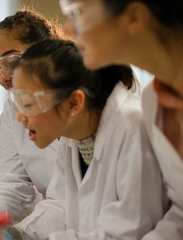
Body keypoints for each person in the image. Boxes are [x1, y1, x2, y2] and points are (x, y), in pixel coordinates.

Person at [6, 39, 167, 239]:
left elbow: (128, 232)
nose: (20, 117)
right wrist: (19, 234)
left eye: (28, 105)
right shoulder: (73, 135)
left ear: (74, 103)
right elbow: (61, 204)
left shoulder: (132, 127)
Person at [59, 1, 183, 239]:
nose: (67, 30)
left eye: (77, 13)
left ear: (134, 17)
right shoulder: (153, 100)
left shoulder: (134, 113)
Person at [0, 10, 69, 221]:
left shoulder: (85, 104)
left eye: (10, 62)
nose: (3, 77)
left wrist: (20, 234)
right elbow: (12, 180)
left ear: (46, 49)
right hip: (54, 222)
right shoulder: (13, 108)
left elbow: (75, 201)